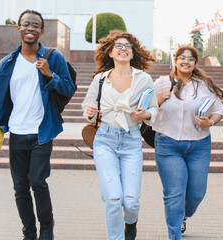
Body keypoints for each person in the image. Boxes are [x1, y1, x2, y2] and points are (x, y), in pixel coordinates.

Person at [0, 9, 75, 240]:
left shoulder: (53, 58)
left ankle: (46, 228)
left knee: (37, 181)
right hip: (17, 131)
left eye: (35, 25)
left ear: (42, 31)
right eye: (26, 24)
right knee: (20, 187)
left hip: (42, 131)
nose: (30, 28)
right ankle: (29, 232)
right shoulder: (7, 63)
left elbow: (68, 88)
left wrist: (49, 75)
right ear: (18, 28)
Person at [81, 30, 158, 240]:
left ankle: (131, 224)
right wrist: (88, 112)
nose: (123, 48)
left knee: (131, 201)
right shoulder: (100, 79)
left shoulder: (144, 79)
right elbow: (87, 105)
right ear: (110, 53)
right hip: (104, 140)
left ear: (133, 54)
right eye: (118, 46)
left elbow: (154, 109)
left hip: (131, 140)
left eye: (128, 46)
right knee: (114, 199)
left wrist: (146, 114)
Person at [152, 45, 223, 240]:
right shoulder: (161, 83)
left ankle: (183, 215)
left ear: (195, 63)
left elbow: (219, 110)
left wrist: (210, 121)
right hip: (168, 144)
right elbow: (144, 111)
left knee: (196, 194)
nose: (185, 61)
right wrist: (158, 100)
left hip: (199, 145)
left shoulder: (204, 84)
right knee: (174, 193)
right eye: (181, 58)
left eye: (190, 58)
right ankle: (174, 235)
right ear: (175, 61)